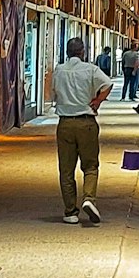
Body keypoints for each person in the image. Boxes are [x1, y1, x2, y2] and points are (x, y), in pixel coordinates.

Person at [51, 36, 112, 224]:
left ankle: (70, 212)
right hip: (86, 123)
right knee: (90, 166)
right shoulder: (91, 69)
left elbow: (53, 92)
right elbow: (108, 84)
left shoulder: (58, 71)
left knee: (66, 169)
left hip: (65, 124)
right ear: (83, 52)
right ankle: (88, 199)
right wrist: (98, 101)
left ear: (67, 52)